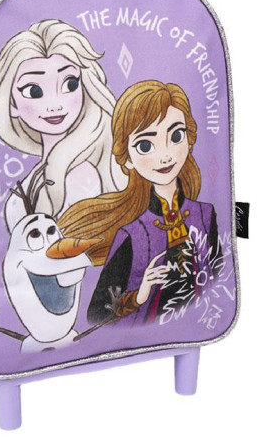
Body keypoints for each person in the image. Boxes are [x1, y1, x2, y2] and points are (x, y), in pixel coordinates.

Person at [59, 80, 221, 326]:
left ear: (190, 140)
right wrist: (140, 293)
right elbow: (97, 315)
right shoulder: (132, 235)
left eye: (176, 136)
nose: (165, 155)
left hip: (200, 324)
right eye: (145, 145)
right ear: (127, 159)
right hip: (146, 332)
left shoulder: (205, 215)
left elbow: (219, 279)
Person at [0, 19, 125, 231]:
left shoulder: (81, 178)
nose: (55, 105)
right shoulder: (35, 178)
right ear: (11, 104)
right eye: (34, 91)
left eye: (70, 84)